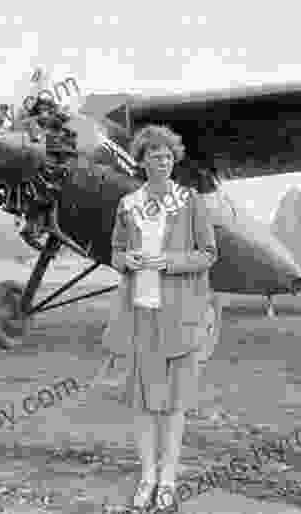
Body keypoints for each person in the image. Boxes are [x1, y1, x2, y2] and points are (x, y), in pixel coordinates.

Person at [101, 124, 219, 511]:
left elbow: (208, 253)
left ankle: (168, 480)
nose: (164, 161)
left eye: (169, 156)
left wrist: (169, 262)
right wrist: (126, 261)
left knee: (173, 405)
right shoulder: (128, 204)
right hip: (139, 316)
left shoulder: (190, 201)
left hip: (179, 317)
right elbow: (116, 251)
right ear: (144, 161)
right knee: (143, 404)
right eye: (156, 156)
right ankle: (147, 476)